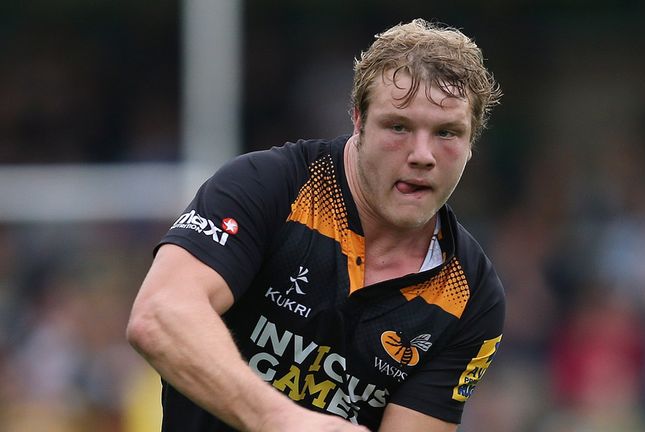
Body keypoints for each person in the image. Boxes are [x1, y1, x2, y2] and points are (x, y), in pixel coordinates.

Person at [126, 18, 505, 432]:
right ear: (358, 121)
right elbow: (159, 315)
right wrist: (281, 421)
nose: (422, 155)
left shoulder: (471, 296)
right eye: (398, 126)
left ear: (471, 144)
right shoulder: (268, 186)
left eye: (447, 133)